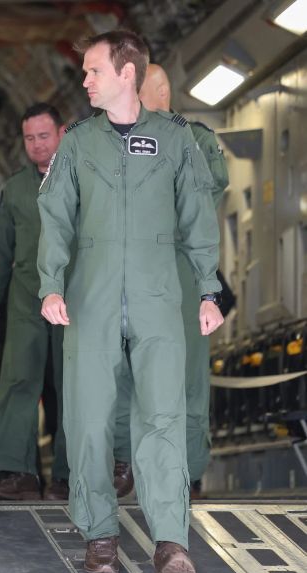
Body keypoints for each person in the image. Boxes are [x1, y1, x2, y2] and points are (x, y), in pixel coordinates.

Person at [37, 30, 223, 573]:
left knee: (162, 417)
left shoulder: (176, 139)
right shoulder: (77, 142)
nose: (85, 81)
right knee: (89, 421)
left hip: (159, 296)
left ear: (126, 74)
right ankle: (100, 535)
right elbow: (55, 216)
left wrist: (209, 290)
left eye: (93, 70)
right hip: (90, 298)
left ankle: (170, 543)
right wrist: (50, 285)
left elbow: (198, 215)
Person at [110, 63, 230, 498]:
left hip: (178, 266)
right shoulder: (117, 137)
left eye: (137, 89)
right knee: (124, 364)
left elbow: (206, 193)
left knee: (188, 373)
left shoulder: (193, 137)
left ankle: (189, 468)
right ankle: (125, 460)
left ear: (159, 91)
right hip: (132, 266)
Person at [0, 103, 70, 501]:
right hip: (24, 301)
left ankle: (69, 476)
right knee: (18, 382)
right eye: (29, 138)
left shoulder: (84, 178)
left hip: (74, 299)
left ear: (62, 133)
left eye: (43, 136)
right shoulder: (15, 188)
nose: (36, 145)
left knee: (74, 387)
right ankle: (20, 474)